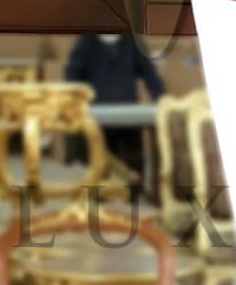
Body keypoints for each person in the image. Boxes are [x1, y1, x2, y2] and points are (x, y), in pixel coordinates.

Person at [63, 33, 164, 184]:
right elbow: (72, 76)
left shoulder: (132, 40)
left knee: (133, 163)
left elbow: (149, 73)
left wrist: (161, 99)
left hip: (129, 116)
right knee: (99, 162)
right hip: (98, 116)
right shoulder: (86, 41)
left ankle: (134, 190)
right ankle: (101, 192)